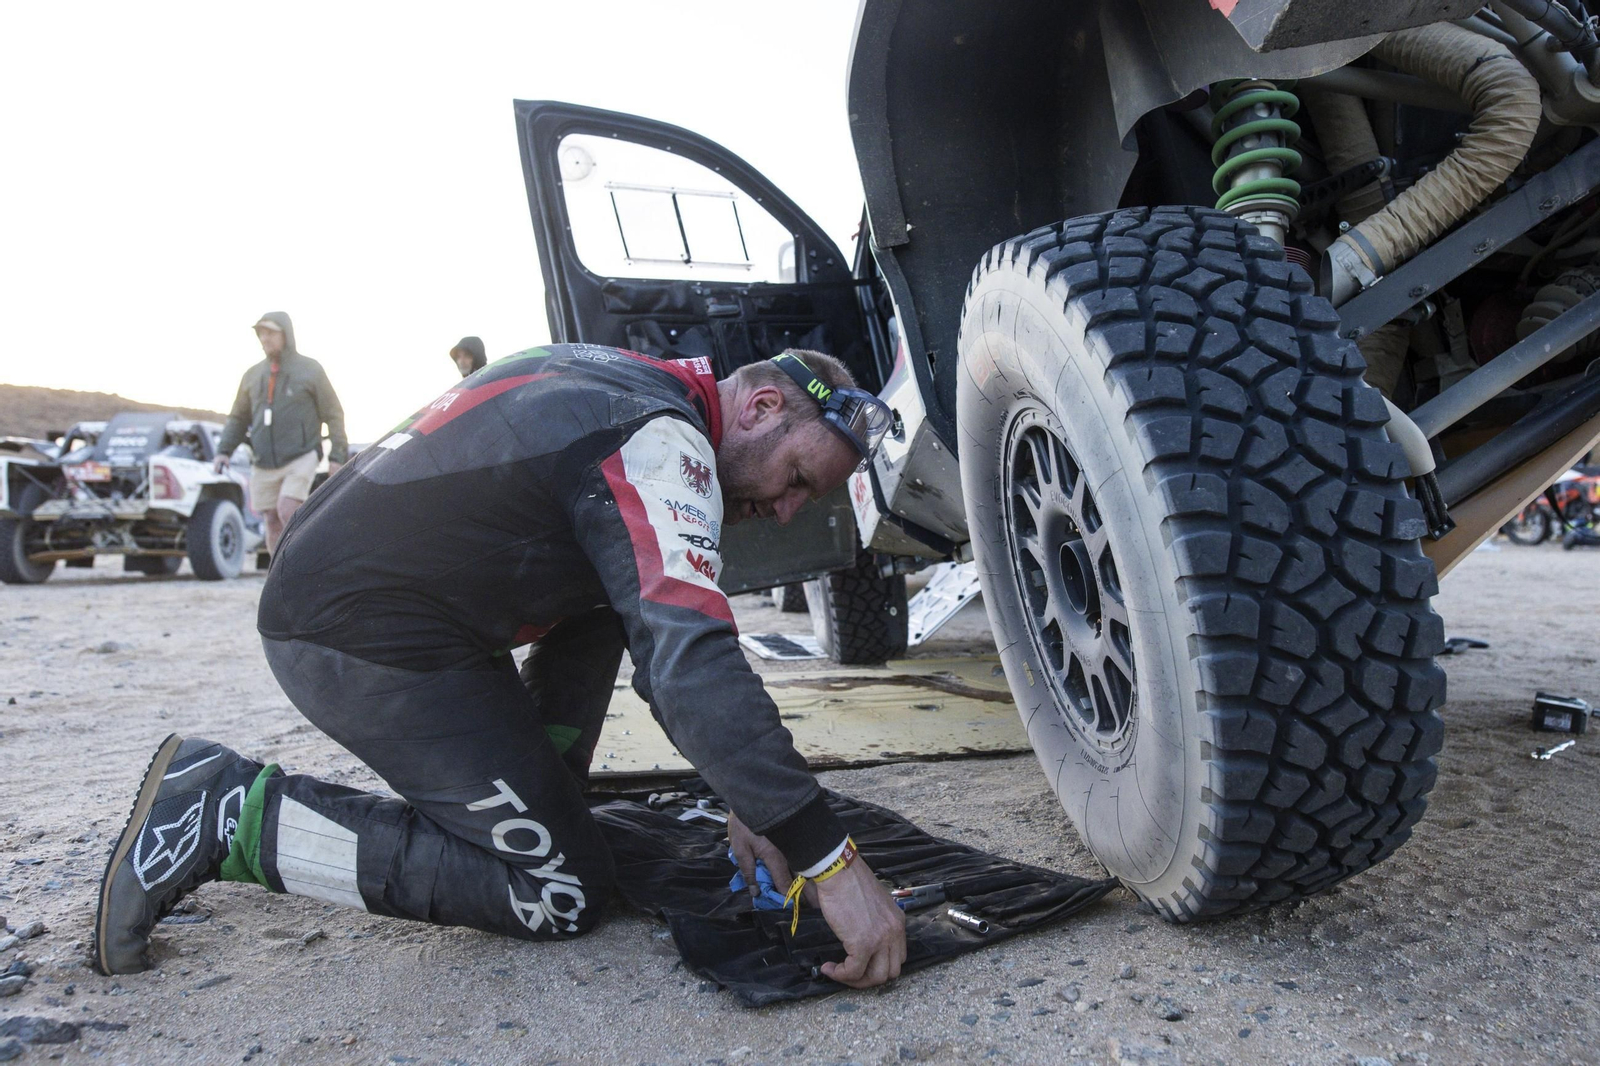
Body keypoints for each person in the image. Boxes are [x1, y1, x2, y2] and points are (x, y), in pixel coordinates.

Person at [96, 345, 908, 988]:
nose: (786, 510)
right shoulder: (660, 442)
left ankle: (543, 794)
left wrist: (751, 795)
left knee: (615, 599)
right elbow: (691, 663)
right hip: (353, 634)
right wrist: (829, 862)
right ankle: (227, 815)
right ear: (762, 406)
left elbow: (655, 636)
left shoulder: (629, 383)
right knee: (560, 891)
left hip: (383, 607)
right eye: (797, 478)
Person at [214, 312, 349, 555]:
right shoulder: (252, 375)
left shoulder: (310, 370)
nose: (265, 338)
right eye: (261, 333)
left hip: (301, 455)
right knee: (271, 519)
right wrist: (223, 451)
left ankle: (310, 563)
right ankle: (279, 575)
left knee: (288, 509)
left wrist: (337, 456)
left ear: (286, 334)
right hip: (263, 461)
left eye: (271, 333)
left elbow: (333, 413)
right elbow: (238, 418)